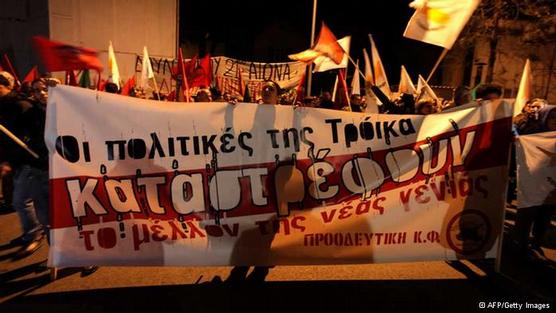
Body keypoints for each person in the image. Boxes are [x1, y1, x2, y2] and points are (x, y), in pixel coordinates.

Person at [0, 73, 48, 257]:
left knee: (27, 203)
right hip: (20, 162)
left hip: (32, 163)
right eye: (36, 90)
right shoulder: (8, 105)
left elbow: (36, 135)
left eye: (43, 89)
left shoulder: (22, 106)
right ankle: (32, 233)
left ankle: (35, 235)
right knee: (21, 201)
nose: (40, 93)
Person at [513, 104, 556, 262]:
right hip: (532, 182)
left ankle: (536, 243)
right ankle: (520, 245)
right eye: (552, 117)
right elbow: (514, 129)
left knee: (544, 217)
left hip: (551, 186)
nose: (555, 121)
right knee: (527, 214)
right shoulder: (532, 133)